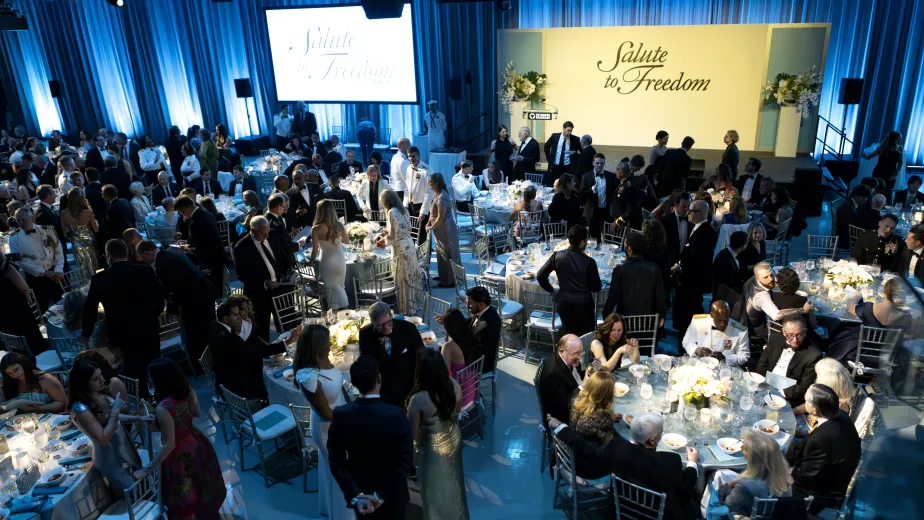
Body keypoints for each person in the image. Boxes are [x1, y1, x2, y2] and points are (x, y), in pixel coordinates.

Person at [547, 413, 701, 520]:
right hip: (654, 513)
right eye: (661, 433)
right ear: (652, 441)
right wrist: (692, 463)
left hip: (619, 507)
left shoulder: (617, 447)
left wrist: (560, 427)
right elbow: (685, 488)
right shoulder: (669, 460)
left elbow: (587, 448)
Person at [135, 358, 226, 519]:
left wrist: (148, 468)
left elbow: (169, 444)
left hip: (180, 454)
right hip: (197, 442)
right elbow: (196, 414)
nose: (149, 381)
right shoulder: (188, 390)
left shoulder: (163, 407)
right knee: (204, 485)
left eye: (151, 378)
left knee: (185, 496)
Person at [328, 356, 414, 519]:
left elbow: (335, 461)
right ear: (379, 379)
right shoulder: (396, 415)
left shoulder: (341, 414)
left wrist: (356, 495)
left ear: (352, 384)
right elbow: (405, 462)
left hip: (361, 492)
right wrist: (379, 496)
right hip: (392, 496)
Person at [82, 239, 164, 395]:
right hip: (148, 325)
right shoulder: (144, 271)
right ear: (126, 253)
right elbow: (159, 298)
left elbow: (91, 307)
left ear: (108, 256)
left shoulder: (100, 278)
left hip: (122, 330)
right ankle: (162, 393)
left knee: (133, 366)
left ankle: (143, 399)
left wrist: (86, 332)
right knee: (155, 362)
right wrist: (153, 314)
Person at [292, 325, 355, 520]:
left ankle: (330, 509)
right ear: (317, 346)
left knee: (331, 469)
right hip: (327, 429)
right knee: (340, 472)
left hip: (337, 422)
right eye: (326, 342)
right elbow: (327, 413)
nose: (330, 345)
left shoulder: (323, 360)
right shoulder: (308, 376)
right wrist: (355, 414)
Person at [67, 360, 149, 497]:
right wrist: (115, 410)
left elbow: (113, 418)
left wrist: (139, 418)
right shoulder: (80, 409)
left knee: (142, 484)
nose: (102, 380)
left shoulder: (97, 394)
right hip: (110, 456)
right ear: (83, 383)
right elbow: (104, 439)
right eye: (95, 379)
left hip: (123, 446)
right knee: (132, 494)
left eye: (101, 375)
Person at [406, 349, 470, 520]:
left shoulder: (418, 399)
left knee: (432, 493)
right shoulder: (453, 385)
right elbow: (456, 413)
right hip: (453, 440)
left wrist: (410, 462)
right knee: (454, 485)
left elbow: (412, 437)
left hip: (432, 449)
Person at [138, 240, 216, 366]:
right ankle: (206, 362)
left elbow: (177, 287)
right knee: (201, 332)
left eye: (142, 257)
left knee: (196, 333)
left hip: (196, 299)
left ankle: (202, 364)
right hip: (200, 295)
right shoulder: (166, 256)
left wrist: (171, 308)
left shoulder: (163, 263)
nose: (143, 261)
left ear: (146, 253)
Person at [786, 384, 861, 513]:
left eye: (806, 402)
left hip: (819, 495)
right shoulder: (842, 416)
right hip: (835, 475)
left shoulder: (819, 440)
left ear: (814, 410)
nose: (805, 404)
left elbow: (805, 478)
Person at [211, 300, 301, 400]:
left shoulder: (221, 327)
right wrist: (288, 341)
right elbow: (259, 352)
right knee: (276, 386)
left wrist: (287, 342)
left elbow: (257, 349)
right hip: (236, 387)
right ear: (226, 319)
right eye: (236, 315)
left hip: (232, 376)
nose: (240, 317)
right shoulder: (227, 339)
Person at [707, 430, 793, 517]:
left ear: (754, 459)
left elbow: (728, 504)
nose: (740, 447)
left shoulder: (745, 486)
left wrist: (729, 485)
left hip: (750, 514)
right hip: (775, 512)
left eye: (744, 448)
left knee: (717, 476)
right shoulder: (784, 472)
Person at [537, 225, 602, 336]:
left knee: (568, 337)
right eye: (586, 240)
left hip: (565, 305)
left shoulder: (557, 256)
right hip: (584, 307)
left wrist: (552, 291)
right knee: (585, 339)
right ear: (581, 242)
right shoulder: (589, 262)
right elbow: (597, 287)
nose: (586, 243)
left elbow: (540, 276)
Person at [826, 278, 910, 363]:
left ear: (884, 292)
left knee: (840, 331)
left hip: (862, 353)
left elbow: (850, 307)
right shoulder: (906, 317)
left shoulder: (869, 308)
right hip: (887, 357)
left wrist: (855, 297)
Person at [358, 302, 425, 407]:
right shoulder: (365, 334)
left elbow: (422, 357)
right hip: (382, 391)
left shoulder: (408, 329)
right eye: (380, 325)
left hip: (408, 387)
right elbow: (366, 362)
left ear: (392, 316)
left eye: (388, 322)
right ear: (372, 322)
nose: (385, 328)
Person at [234, 216, 287, 341]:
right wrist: (263, 282)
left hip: (279, 288)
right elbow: (241, 274)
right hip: (259, 294)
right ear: (252, 230)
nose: (266, 237)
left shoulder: (271, 235)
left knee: (284, 323)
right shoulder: (242, 247)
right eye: (263, 234)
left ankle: (286, 346)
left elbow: (280, 255)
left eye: (267, 233)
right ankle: (265, 355)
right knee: (262, 327)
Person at [672, 199, 718, 338]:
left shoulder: (705, 232)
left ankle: (686, 343)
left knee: (689, 314)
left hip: (692, 282)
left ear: (702, 212)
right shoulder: (697, 228)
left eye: (692, 211)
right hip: (690, 280)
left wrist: (682, 277)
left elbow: (697, 260)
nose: (688, 213)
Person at [756, 315, 821, 407]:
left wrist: (778, 393)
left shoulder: (813, 355)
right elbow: (762, 363)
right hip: (765, 386)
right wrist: (761, 382)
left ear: (805, 332)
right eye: (790, 335)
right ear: (783, 332)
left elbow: (803, 388)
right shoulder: (775, 338)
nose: (795, 340)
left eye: (799, 335)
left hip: (787, 397)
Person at [9, 207, 64, 312]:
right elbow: (22, 261)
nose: (20, 223)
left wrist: (59, 269)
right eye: (18, 220)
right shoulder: (14, 238)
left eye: (23, 219)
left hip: (54, 273)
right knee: (42, 308)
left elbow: (58, 250)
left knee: (62, 303)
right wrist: (44, 272)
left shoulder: (47, 230)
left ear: (32, 218)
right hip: (35, 277)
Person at [602, 232, 666, 321]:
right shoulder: (654, 269)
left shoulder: (619, 270)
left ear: (629, 249)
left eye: (625, 245)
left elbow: (613, 298)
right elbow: (660, 297)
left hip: (625, 323)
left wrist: (605, 316)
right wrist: (661, 316)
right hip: (648, 323)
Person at [375, 189, 419, 316]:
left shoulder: (391, 212)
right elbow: (404, 228)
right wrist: (386, 233)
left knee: (402, 277)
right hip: (409, 243)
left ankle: (406, 309)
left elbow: (393, 235)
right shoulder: (403, 209)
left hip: (400, 247)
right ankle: (412, 305)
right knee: (410, 275)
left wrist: (382, 242)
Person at [175, 195, 226, 298]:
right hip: (217, 256)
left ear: (184, 209)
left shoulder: (197, 221)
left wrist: (182, 247)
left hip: (210, 260)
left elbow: (199, 244)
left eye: (180, 212)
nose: (180, 214)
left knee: (213, 292)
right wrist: (186, 242)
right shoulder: (206, 213)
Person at [0, 251, 50, 353]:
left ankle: (21, 362)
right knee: (32, 340)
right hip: (19, 310)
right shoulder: (6, 268)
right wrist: (26, 301)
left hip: (2, 316)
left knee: (13, 342)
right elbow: (24, 288)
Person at [310, 200, 350, 310]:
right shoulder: (339, 226)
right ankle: (345, 309)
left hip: (326, 262)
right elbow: (347, 242)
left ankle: (335, 313)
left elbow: (314, 250)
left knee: (330, 289)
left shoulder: (315, 229)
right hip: (339, 260)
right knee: (340, 286)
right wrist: (337, 238)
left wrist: (310, 262)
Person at [683, 301, 750, 367]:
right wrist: (696, 350)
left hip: (726, 368)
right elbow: (687, 341)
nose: (722, 324)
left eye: (725, 320)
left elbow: (744, 356)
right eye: (719, 320)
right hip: (701, 364)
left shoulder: (740, 331)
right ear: (711, 314)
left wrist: (725, 358)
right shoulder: (698, 322)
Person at [539, 334, 586, 427]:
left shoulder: (567, 358)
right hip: (563, 417)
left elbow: (579, 374)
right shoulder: (553, 375)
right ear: (562, 351)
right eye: (576, 353)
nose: (580, 357)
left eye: (581, 352)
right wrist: (583, 387)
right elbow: (563, 406)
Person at [426, 172, 461, 288]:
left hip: (446, 228)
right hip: (439, 228)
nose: (429, 184)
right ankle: (443, 276)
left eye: (430, 183)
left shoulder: (442, 196)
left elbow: (441, 217)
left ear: (436, 184)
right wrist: (428, 222)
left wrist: (431, 226)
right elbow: (433, 213)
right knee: (441, 253)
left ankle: (450, 280)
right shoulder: (436, 194)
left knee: (448, 253)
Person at [0, 353, 66, 413]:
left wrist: (35, 409)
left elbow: (62, 402)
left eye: (16, 369)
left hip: (50, 418)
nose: (15, 375)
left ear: (23, 365)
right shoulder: (12, 382)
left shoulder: (45, 379)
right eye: (10, 373)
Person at [438, 308, 479, 405]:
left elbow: (443, 377)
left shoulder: (448, 347)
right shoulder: (471, 338)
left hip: (458, 398)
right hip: (472, 392)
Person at [570, 370, 619, 443]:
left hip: (577, 442)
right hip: (592, 450)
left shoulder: (577, 399)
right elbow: (608, 444)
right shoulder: (602, 417)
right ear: (606, 396)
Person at [464, 286, 502, 373]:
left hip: (481, 364)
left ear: (481, 304)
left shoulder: (491, 322)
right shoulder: (482, 311)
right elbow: (470, 322)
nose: (467, 306)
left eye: (469, 304)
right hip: (475, 354)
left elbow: (483, 350)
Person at [580, 153, 617, 242]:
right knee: (594, 238)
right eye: (597, 163)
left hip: (606, 211)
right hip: (592, 212)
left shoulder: (610, 176)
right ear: (593, 163)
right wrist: (591, 189)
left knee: (608, 237)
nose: (599, 165)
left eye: (601, 163)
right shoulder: (586, 176)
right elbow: (582, 194)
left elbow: (614, 193)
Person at [404, 146, 433, 244]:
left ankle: (425, 257)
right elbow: (406, 188)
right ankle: (413, 255)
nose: (411, 159)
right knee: (411, 231)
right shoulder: (408, 168)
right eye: (409, 156)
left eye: (413, 156)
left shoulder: (427, 170)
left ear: (419, 155)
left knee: (422, 234)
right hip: (411, 204)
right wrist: (405, 205)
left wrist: (423, 212)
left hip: (421, 205)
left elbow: (429, 192)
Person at [863, 130, 904, 195]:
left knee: (887, 193)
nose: (900, 141)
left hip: (891, 173)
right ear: (893, 139)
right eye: (899, 139)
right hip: (879, 172)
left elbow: (900, 163)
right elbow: (869, 157)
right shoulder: (882, 147)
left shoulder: (900, 148)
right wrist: (865, 156)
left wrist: (895, 174)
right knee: (876, 191)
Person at [658, 191, 692, 269]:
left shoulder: (691, 221)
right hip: (668, 261)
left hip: (686, 262)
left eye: (689, 206)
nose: (686, 209)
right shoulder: (665, 220)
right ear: (676, 205)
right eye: (683, 206)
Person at [389, 137, 410, 202]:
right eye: (408, 145)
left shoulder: (395, 156)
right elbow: (407, 178)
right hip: (403, 191)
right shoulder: (403, 161)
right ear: (403, 146)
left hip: (396, 188)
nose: (410, 147)